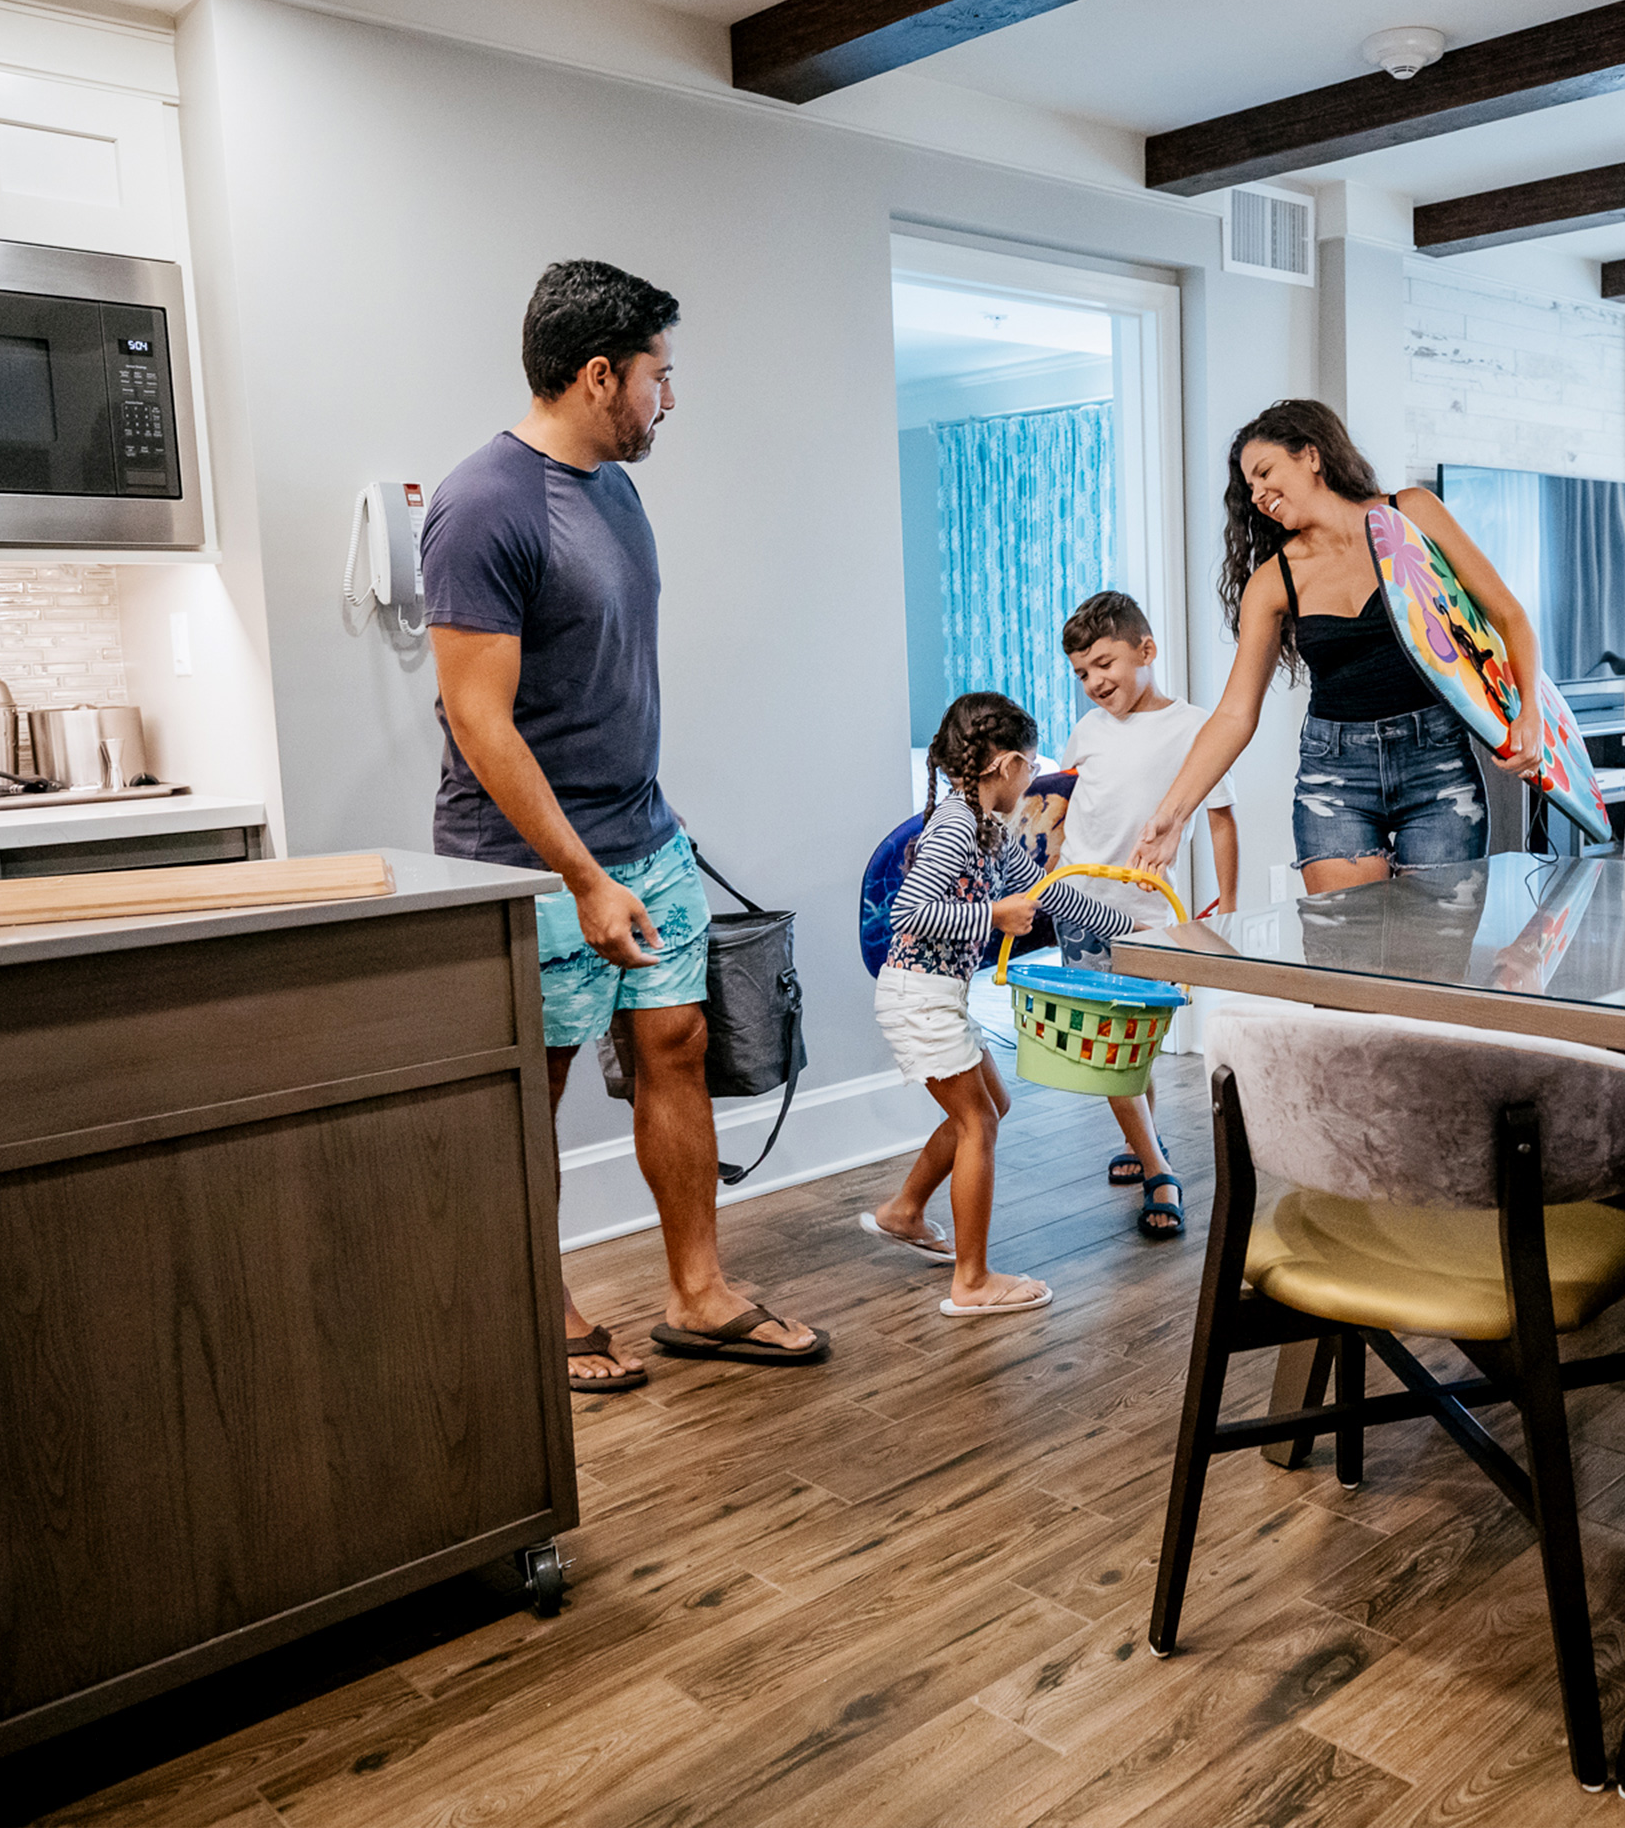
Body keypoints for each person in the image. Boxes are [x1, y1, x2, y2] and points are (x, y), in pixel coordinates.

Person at [425, 258, 825, 1390]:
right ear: (600, 375)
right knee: (532, 1086)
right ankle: (538, 1310)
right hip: (532, 867)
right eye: (660, 374)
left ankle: (698, 1295)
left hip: (647, 838)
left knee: (678, 1049)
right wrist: (584, 878)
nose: (670, 398)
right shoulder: (482, 505)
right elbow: (479, 722)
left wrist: (636, 854)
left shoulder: (613, 486)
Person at [1131, 398, 1544, 893]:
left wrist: (1531, 712)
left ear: (1311, 455)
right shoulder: (1273, 582)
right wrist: (1174, 813)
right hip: (1335, 777)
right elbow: (1235, 714)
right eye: (1250, 487)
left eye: (1264, 472)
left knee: (1436, 960)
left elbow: (1508, 614)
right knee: (1348, 955)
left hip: (1436, 766)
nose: (1258, 494)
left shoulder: (1410, 513)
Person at [862, 692, 1137, 1317]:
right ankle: (972, 1280)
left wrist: (1129, 930)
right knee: (978, 1124)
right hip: (917, 996)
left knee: (992, 1107)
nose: (1035, 778)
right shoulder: (957, 825)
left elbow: (1047, 899)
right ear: (1007, 765)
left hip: (938, 996)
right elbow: (910, 911)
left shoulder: (988, 827)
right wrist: (992, 914)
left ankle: (904, 1212)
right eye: (1033, 766)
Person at [1053, 589, 1238, 1238]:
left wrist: (1231, 907)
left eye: (1104, 663)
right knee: (1109, 1048)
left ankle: (1141, 1142)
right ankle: (1158, 1167)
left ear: (1146, 651)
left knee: (1137, 1042)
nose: (1094, 682)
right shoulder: (1086, 732)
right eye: (1081, 673)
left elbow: (1220, 820)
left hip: (1149, 920)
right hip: (1082, 911)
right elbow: (1062, 808)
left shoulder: (1194, 729)